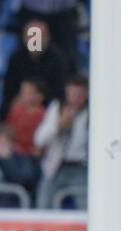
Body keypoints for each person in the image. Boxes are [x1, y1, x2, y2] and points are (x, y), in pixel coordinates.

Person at [35, 73, 89, 208]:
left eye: (79, 94)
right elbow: (39, 139)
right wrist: (59, 125)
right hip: (57, 165)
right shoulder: (57, 108)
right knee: (43, 204)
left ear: (86, 93)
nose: (76, 97)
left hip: (81, 166)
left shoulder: (92, 112)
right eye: (73, 93)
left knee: (87, 205)